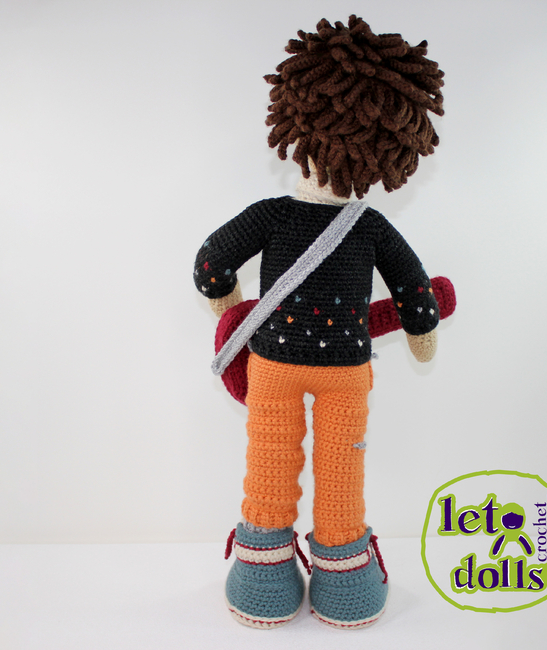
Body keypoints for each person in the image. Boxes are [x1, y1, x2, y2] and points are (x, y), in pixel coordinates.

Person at [193, 15, 446, 629]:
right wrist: (421, 329)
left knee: (269, 464)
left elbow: (210, 262)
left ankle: (261, 573)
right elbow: (413, 287)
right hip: (346, 374)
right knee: (341, 473)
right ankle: (344, 578)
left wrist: (227, 301)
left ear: (296, 120)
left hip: (274, 366)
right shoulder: (372, 226)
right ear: (392, 147)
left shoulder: (272, 215)